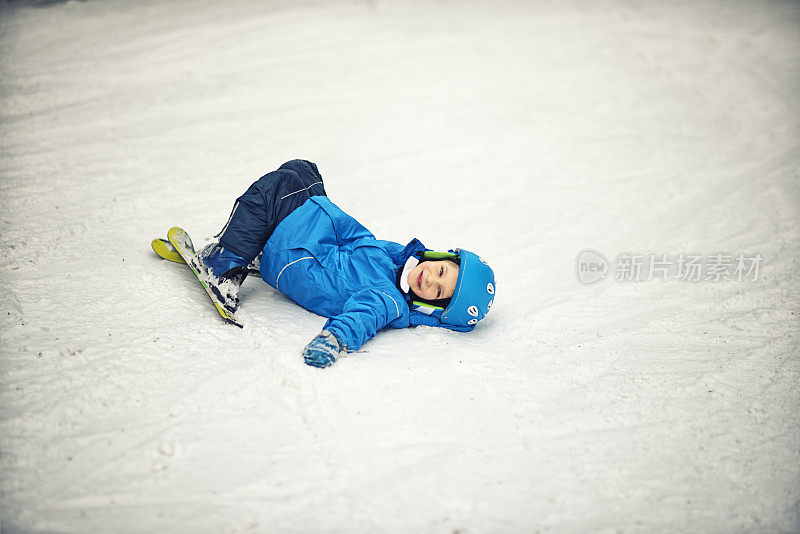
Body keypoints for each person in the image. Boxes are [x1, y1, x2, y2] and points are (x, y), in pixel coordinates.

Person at [200, 159, 496, 368]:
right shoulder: (399, 259)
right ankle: (255, 244)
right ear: (439, 257)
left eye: (439, 291)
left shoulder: (389, 298)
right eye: (441, 271)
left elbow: (363, 317)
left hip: (299, 259)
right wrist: (326, 209)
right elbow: (358, 237)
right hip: (312, 242)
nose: (431, 280)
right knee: (302, 170)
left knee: (277, 188)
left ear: (435, 308)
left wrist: (334, 339)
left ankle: (224, 264)